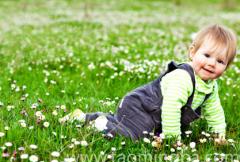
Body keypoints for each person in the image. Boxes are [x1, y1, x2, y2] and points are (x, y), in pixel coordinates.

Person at [59, 24, 237, 142]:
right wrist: (173, 140)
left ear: (226, 67)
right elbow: (170, 108)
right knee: (134, 136)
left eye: (220, 61)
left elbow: (215, 111)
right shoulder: (183, 78)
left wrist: (218, 135)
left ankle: (88, 117)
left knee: (154, 135)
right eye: (207, 55)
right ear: (192, 53)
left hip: (157, 117)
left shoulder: (210, 86)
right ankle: (97, 123)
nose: (212, 63)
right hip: (140, 107)